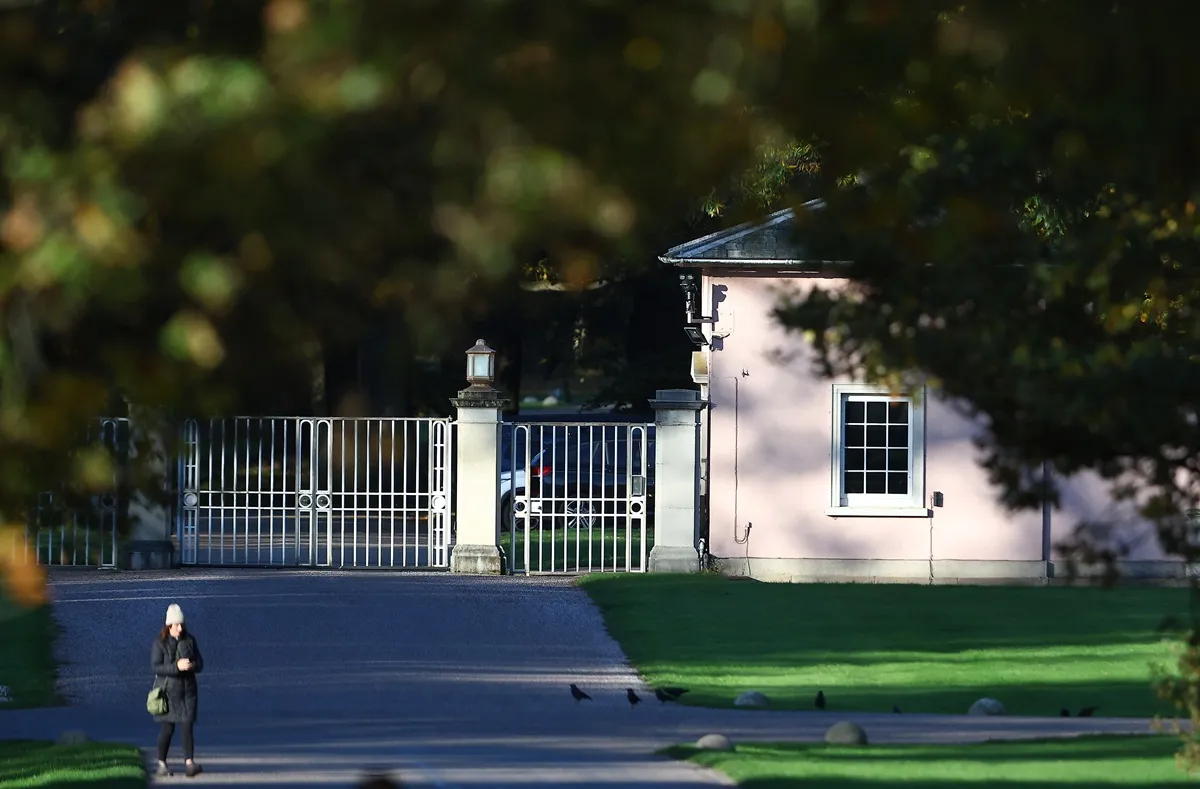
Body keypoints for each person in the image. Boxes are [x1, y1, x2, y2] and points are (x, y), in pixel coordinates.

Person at [151, 603, 204, 778]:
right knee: (168, 729)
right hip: (168, 692)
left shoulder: (190, 640)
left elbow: (200, 663)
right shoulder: (160, 643)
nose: (180, 628)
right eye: (176, 625)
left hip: (188, 691)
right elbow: (156, 667)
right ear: (168, 626)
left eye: (181, 624)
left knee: (187, 726)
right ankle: (161, 763)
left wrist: (193, 665)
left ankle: (189, 763)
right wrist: (177, 667)